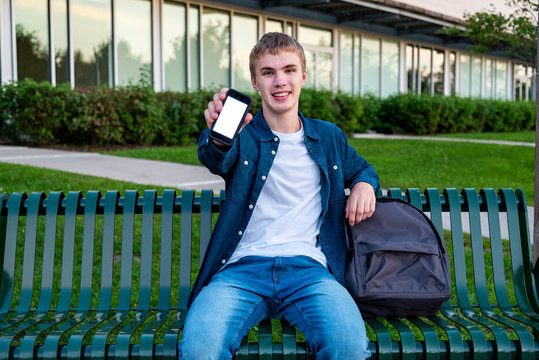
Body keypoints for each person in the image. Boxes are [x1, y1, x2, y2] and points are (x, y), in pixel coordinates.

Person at [178, 32, 379, 360]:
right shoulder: (243, 135)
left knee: (349, 347)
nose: (279, 81)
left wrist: (365, 185)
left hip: (310, 271)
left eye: (288, 70)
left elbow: (364, 168)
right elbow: (215, 156)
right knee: (200, 349)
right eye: (268, 72)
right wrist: (220, 135)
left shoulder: (327, 137)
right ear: (255, 82)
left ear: (303, 75)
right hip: (240, 270)